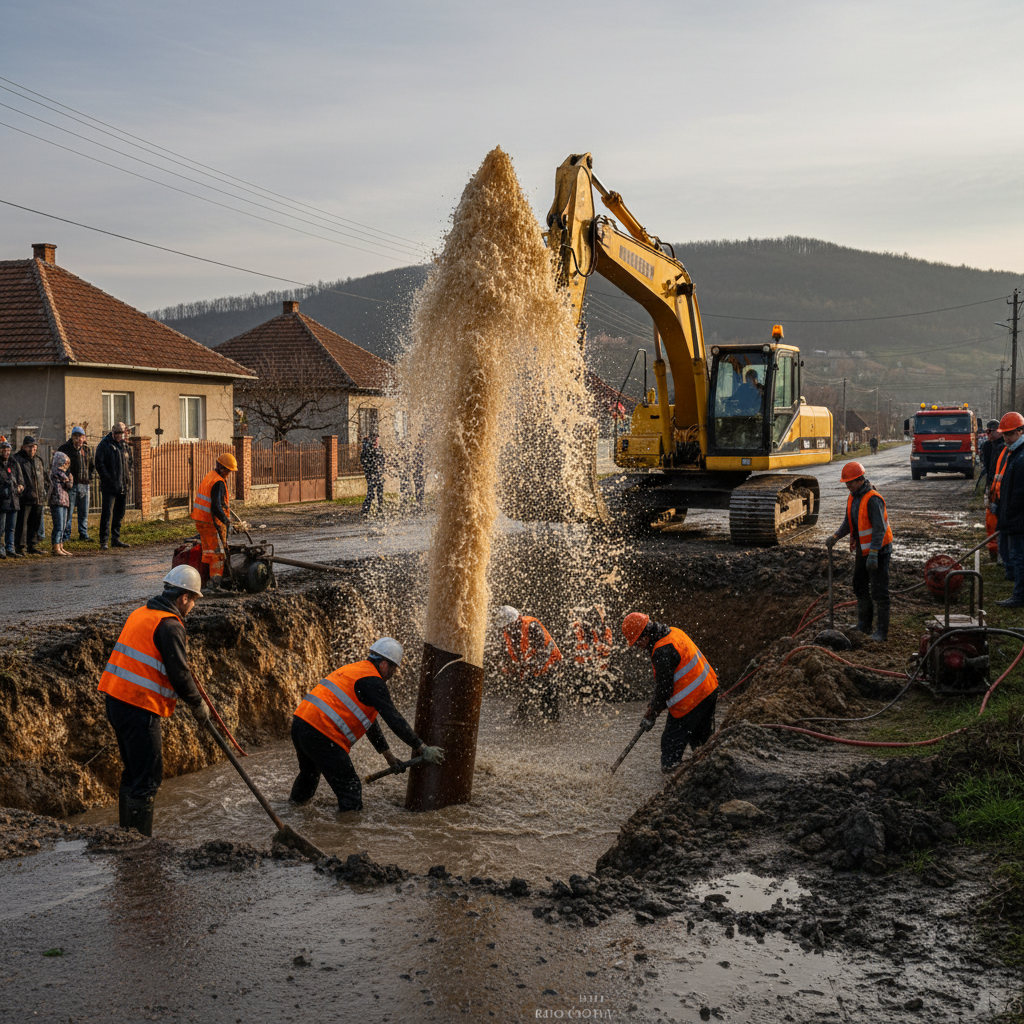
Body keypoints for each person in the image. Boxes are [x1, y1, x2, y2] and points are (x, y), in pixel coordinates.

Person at [97, 565, 210, 836]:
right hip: (138, 707)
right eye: (194, 599)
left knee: (133, 774)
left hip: (115, 700)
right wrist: (197, 704)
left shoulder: (142, 613)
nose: (193, 605)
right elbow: (180, 675)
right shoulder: (170, 625)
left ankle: (126, 836)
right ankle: (138, 845)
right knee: (147, 779)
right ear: (183, 598)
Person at [288, 637, 444, 812]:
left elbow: (368, 722)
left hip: (301, 724)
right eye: (393, 668)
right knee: (350, 788)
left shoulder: (356, 670)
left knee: (308, 776)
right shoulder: (373, 681)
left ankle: (292, 812)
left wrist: (389, 756)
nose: (393, 674)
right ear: (384, 664)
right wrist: (421, 747)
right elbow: (394, 718)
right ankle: (344, 833)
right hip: (322, 733)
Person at [621, 612, 719, 772]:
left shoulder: (662, 651)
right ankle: (708, 775)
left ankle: (673, 784)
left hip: (691, 703)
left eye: (637, 643)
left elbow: (664, 689)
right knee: (703, 747)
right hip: (709, 692)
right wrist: (654, 705)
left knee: (669, 750)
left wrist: (651, 712)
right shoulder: (674, 632)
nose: (638, 647)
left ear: (644, 637)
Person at [826, 460, 893, 641]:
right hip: (863, 552)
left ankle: (881, 632)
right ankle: (864, 624)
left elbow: (879, 529)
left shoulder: (872, 499)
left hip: (879, 551)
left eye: (849, 482)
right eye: (846, 482)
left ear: (859, 480)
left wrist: (873, 553)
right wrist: (836, 536)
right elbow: (849, 522)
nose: (847, 485)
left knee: (879, 591)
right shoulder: (853, 497)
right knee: (859, 585)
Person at [494, 605, 563, 719]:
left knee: (549, 703)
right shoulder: (508, 633)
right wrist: (509, 667)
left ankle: (551, 723)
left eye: (510, 626)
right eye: (506, 627)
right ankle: (523, 721)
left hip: (550, 663)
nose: (509, 630)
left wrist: (533, 668)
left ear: (518, 619)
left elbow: (544, 650)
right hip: (532, 666)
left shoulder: (532, 626)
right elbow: (510, 654)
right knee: (524, 703)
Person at [190, 453, 237, 588]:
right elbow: (216, 506)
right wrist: (226, 521)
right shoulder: (218, 482)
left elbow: (216, 502)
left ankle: (207, 579)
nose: (229, 474)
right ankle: (215, 583)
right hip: (211, 522)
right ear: (222, 468)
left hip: (201, 520)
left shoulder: (210, 476)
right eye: (228, 471)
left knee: (209, 551)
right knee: (217, 554)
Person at [994, 411, 1024, 607]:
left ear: (1021, 431)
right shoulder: (1014, 454)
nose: (1006, 438)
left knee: (1019, 558)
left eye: (1010, 434)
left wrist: (1009, 517)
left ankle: (1019, 597)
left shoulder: (1021, 458)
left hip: (1019, 521)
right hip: (1014, 519)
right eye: (1004, 434)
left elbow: (1019, 495)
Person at [95, 422, 134, 549]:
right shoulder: (104, 445)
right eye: (117, 433)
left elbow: (130, 463)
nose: (119, 435)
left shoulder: (124, 446)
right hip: (109, 486)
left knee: (119, 513)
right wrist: (108, 479)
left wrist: (128, 475)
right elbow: (99, 464)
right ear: (113, 432)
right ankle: (104, 541)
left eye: (121, 433)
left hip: (123, 484)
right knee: (107, 513)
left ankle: (115, 538)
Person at [57, 426, 94, 542]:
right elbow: (59, 466)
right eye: (76, 437)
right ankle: (65, 535)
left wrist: (90, 477)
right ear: (72, 437)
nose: (79, 440)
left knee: (84, 512)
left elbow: (92, 464)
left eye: (81, 437)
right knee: (69, 512)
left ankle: (83, 533)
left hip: (85, 484)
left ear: (84, 438)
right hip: (71, 485)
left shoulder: (86, 450)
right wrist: (67, 478)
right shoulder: (65, 449)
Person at [13, 435, 46, 556]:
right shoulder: (17, 459)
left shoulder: (38, 459)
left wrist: (45, 488)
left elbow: (44, 475)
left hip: (38, 496)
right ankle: (19, 547)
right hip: (24, 498)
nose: (33, 449)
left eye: (34, 446)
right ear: (23, 447)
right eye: (29, 447)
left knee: (35, 522)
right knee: (22, 524)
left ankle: (32, 545)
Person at [0, 437, 25, 558]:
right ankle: (1, 549)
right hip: (2, 501)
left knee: (11, 527)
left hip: (13, 499)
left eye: (8, 450)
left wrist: (20, 486)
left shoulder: (14, 463)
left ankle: (10, 548)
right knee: (1, 528)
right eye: (3, 450)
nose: (6, 452)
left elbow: (21, 480)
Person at [48, 451, 73, 557]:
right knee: (59, 525)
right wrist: (70, 480)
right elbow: (69, 485)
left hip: (63, 501)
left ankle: (60, 545)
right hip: (57, 500)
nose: (65, 466)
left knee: (62, 525)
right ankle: (56, 546)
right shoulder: (57, 472)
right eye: (64, 463)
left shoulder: (61, 473)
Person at [360, 432, 385, 516]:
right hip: (371, 474)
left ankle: (380, 510)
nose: (376, 441)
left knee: (380, 493)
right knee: (371, 493)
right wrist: (368, 470)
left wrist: (382, 468)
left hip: (379, 474)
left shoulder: (379, 449)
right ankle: (365, 511)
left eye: (377, 440)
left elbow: (383, 460)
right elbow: (362, 460)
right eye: (375, 440)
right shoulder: (368, 449)